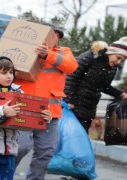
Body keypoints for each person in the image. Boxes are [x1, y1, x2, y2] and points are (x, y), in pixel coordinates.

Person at [14, 23, 79, 180]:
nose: (54, 38)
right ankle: (5, 174)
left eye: (57, 35)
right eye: (51, 34)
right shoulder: (23, 49)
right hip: (24, 107)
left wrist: (48, 55)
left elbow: (71, 67)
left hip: (50, 112)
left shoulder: (63, 52)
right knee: (20, 147)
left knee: (45, 152)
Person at [64, 37, 127, 135]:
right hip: (73, 105)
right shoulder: (91, 57)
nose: (119, 62)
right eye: (118, 58)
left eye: (123, 60)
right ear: (111, 52)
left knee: (80, 137)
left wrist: (119, 93)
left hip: (89, 109)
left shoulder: (112, 68)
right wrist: (68, 100)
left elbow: (104, 86)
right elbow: (70, 76)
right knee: (69, 137)